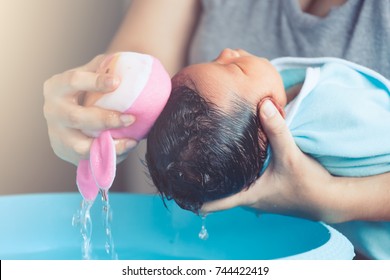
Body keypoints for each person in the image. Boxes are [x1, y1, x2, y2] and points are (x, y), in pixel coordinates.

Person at [43, 0, 390, 259]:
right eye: (226, 66)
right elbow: (144, 53)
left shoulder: (334, 108)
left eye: (233, 68)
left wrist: (335, 200)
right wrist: (109, 96)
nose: (226, 51)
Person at [145, 48, 390, 214]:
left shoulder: (272, 97)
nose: (226, 52)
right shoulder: (333, 110)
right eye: (235, 68)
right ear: (270, 112)